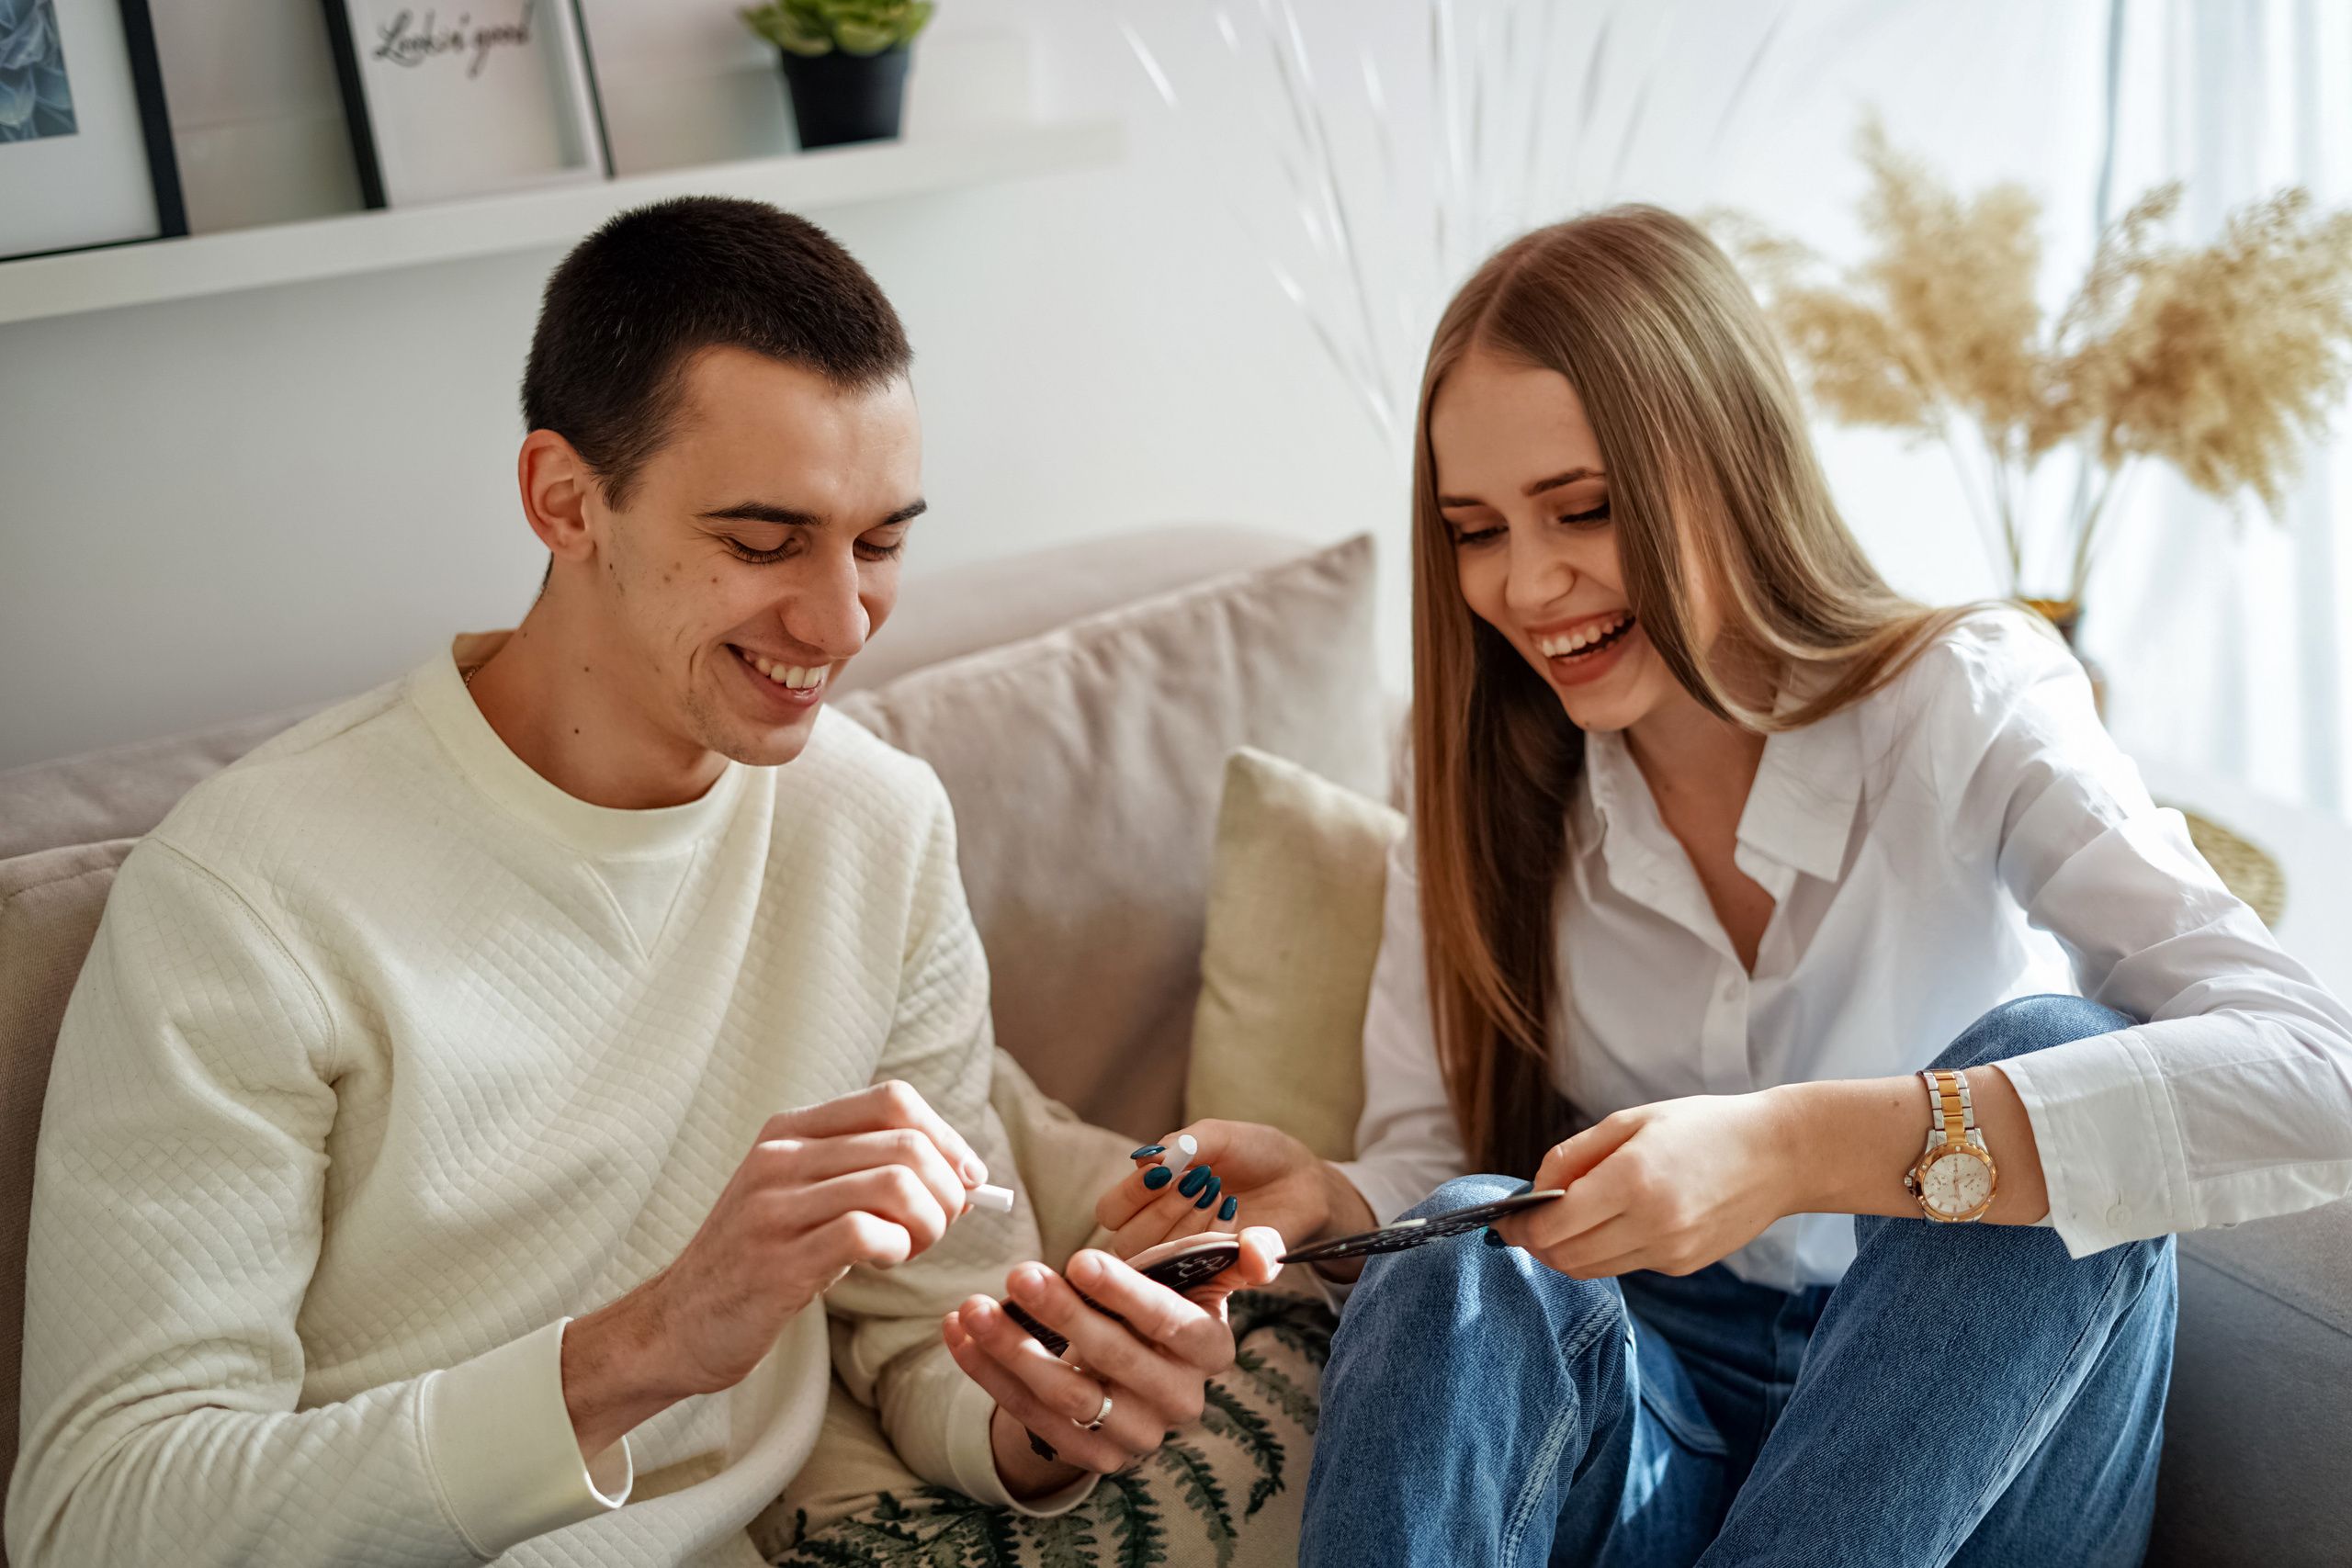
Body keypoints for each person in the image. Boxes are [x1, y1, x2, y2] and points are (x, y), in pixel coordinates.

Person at [6, 197, 1283, 1568]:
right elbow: (100, 1521)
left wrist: (1051, 1413)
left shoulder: (875, 823)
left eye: (882, 541)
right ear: (565, 499)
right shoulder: (249, 897)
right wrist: (655, 1345)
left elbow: (928, 1334)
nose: (841, 621)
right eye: (762, 540)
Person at [1091, 207, 2352, 1566]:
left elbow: (2315, 1073)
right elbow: (1442, 1166)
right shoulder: (1483, 782)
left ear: (1726, 464)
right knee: (1459, 1241)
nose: (1525, 583)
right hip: (1662, 1422)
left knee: (2058, 1058)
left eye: (1581, 510)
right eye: (1476, 530)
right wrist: (1340, 1203)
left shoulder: (1966, 704)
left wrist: (1792, 1148)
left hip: (1975, 1448)